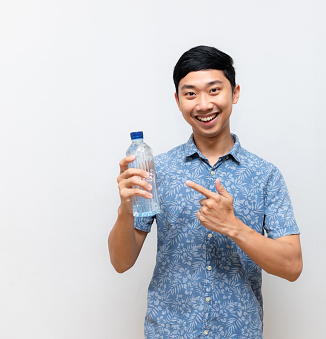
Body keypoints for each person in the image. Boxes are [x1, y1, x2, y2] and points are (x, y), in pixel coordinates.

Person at [108, 45, 303, 338]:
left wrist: (234, 227)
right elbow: (121, 262)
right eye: (190, 94)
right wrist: (125, 208)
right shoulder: (156, 170)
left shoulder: (266, 175)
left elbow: (292, 266)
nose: (203, 104)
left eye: (214, 90)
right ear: (178, 100)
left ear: (234, 93)